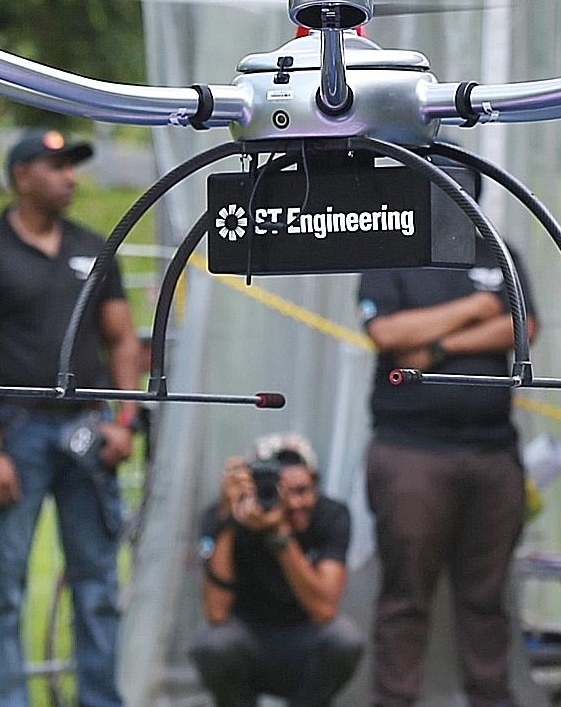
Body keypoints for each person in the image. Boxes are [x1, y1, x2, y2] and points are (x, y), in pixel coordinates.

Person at [0, 129, 143, 707]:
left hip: (90, 428)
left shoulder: (95, 248)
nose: (70, 177)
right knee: (4, 584)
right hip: (18, 430)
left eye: (72, 167)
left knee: (98, 582)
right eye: (56, 166)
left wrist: (124, 422)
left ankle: (100, 699)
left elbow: (124, 341)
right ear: (21, 175)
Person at [357, 179, 539, 707]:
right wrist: (475, 309)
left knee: (486, 598)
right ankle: (394, 699)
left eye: (456, 186)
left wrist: (436, 345)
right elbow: (387, 335)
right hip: (411, 449)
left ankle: (491, 697)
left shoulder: (499, 251)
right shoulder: (386, 249)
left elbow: (525, 328)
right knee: (405, 595)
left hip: (492, 450)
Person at [191, 433, 364, 706]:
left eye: (302, 491)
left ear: (316, 484)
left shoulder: (331, 516)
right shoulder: (225, 517)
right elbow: (216, 612)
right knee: (213, 644)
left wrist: (280, 536)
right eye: (278, 491)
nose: (293, 503)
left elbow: (324, 610)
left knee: (344, 639)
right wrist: (229, 522)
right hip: (247, 640)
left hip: (304, 642)